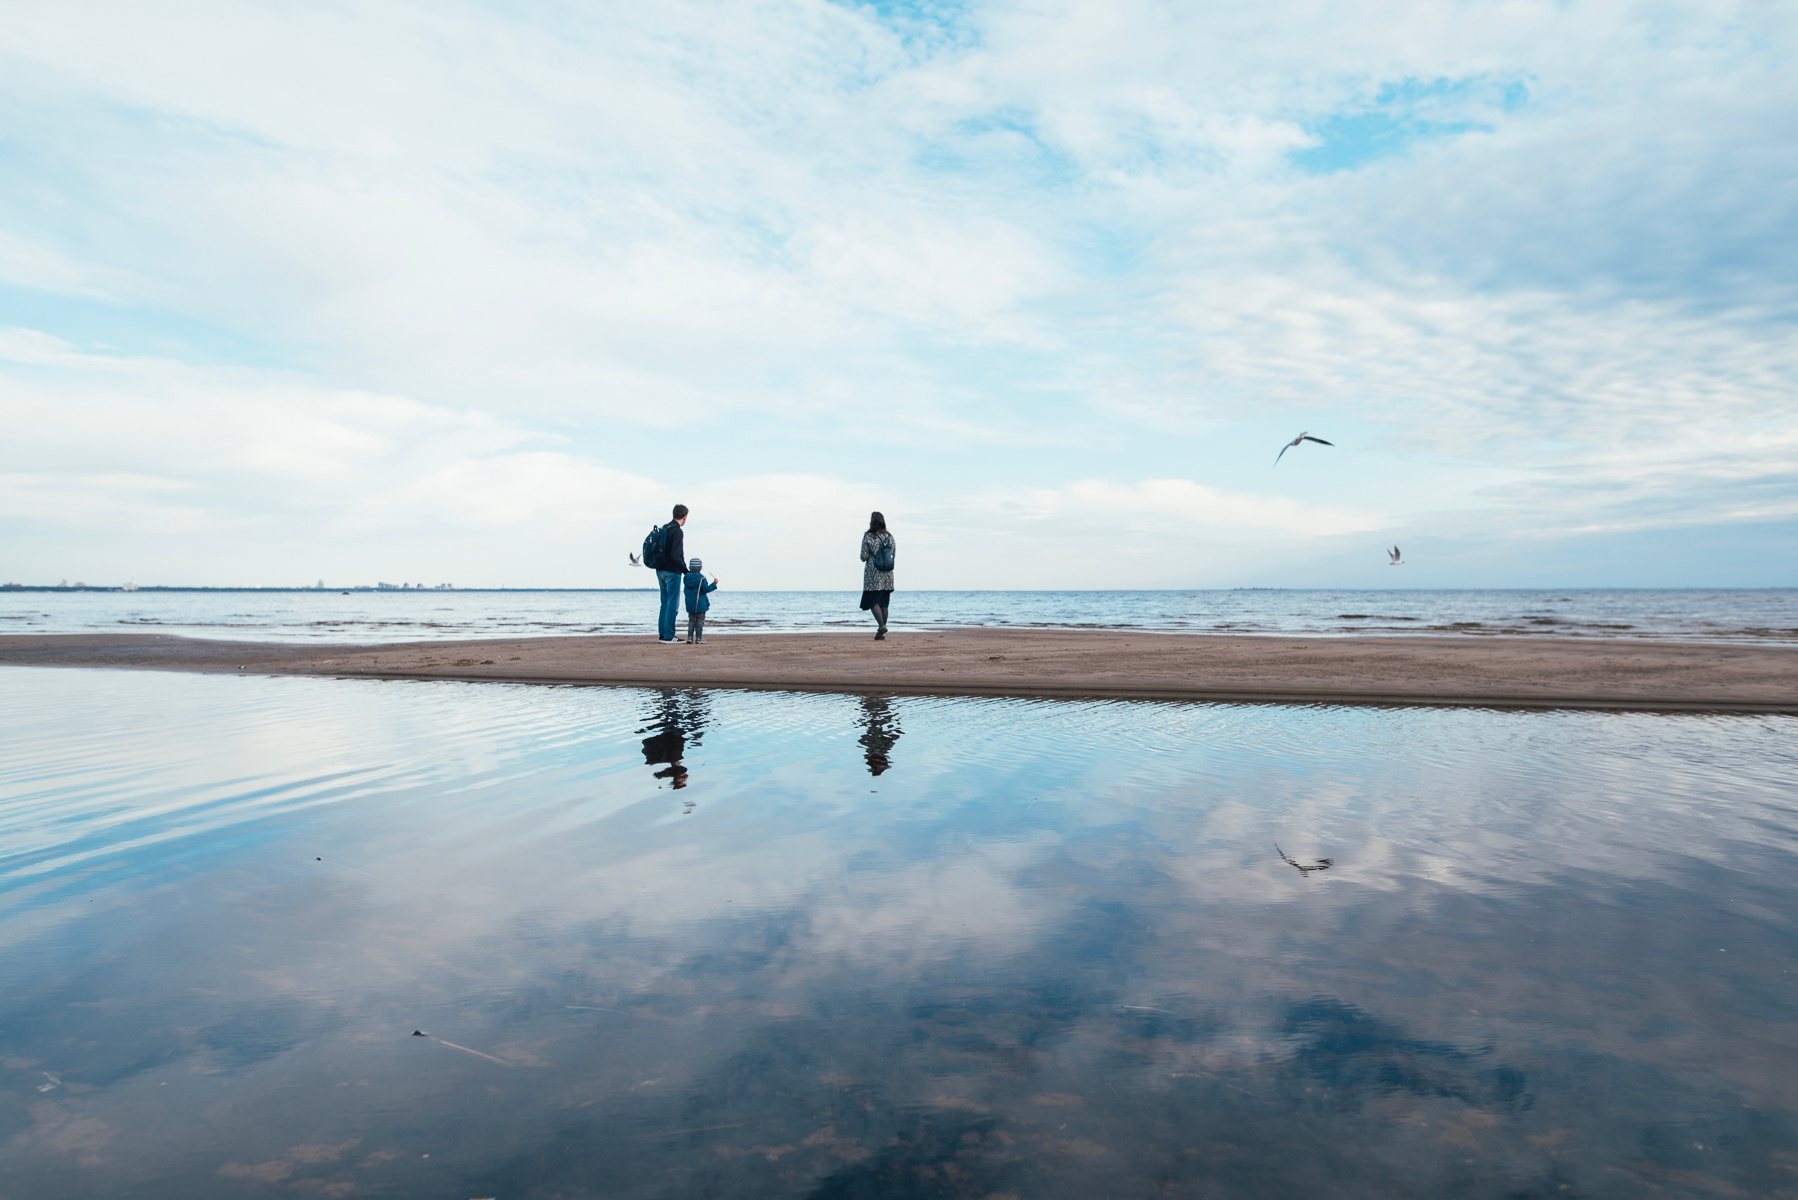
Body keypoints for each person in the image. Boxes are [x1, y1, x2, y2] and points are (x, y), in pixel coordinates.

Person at [652, 504, 689, 643]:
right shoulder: (677, 531)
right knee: (672, 604)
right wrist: (686, 572)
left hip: (660, 569)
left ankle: (663, 634)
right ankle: (669, 636)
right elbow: (676, 555)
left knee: (664, 603)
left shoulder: (664, 528)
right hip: (672, 571)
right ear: (685, 517)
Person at [859, 511, 895, 640]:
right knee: (884, 604)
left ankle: (881, 626)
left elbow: (863, 557)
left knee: (872, 601)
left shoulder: (868, 536)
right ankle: (881, 632)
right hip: (887, 574)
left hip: (873, 574)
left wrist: (872, 557)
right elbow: (893, 555)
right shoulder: (889, 537)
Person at [682, 558, 720, 644]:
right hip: (700, 604)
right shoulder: (701, 578)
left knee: (691, 621)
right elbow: (706, 589)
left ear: (690, 567)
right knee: (700, 621)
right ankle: (699, 638)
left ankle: (689, 638)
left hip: (690, 604)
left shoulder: (686, 577)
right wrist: (714, 584)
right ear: (700, 568)